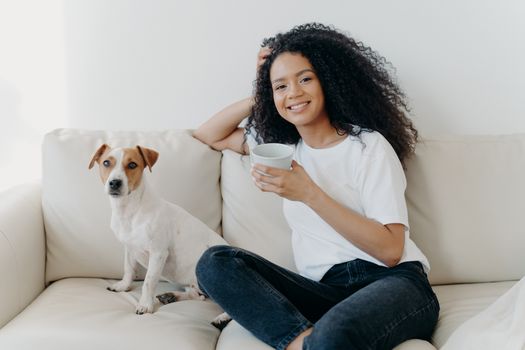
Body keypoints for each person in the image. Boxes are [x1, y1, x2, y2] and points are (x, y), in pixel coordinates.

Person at [193, 23, 439, 350]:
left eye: (305, 79)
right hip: (326, 291)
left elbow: (391, 250)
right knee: (215, 263)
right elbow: (210, 135)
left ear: (328, 80)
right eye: (281, 86)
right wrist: (264, 91)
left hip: (395, 284)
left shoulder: (367, 146)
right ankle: (304, 344)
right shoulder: (284, 150)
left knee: (336, 330)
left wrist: (308, 192)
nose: (293, 93)